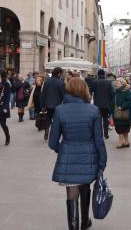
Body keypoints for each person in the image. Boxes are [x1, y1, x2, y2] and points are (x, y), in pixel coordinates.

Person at [49, 77, 107, 230]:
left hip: (68, 155)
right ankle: (84, 221)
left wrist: (62, 149)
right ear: (84, 90)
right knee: (85, 185)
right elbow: (99, 140)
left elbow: (52, 142)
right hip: (88, 155)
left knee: (71, 192)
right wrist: (102, 161)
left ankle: (74, 226)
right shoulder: (94, 110)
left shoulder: (60, 110)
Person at [40, 67, 66, 140]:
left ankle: (46, 131)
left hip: (48, 104)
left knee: (48, 118)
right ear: (59, 74)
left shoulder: (47, 81)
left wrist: (42, 104)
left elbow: (43, 94)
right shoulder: (61, 83)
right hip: (57, 105)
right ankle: (54, 135)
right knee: (56, 120)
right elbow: (63, 95)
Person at [91, 69, 115, 139]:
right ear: (104, 74)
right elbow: (112, 93)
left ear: (98, 74)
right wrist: (109, 100)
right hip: (106, 104)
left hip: (97, 104)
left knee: (98, 120)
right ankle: (106, 134)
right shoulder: (108, 82)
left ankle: (98, 134)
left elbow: (92, 90)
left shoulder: (94, 82)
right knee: (105, 119)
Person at [112, 78, 131, 148]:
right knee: (119, 128)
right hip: (117, 113)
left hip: (125, 113)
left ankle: (123, 142)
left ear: (122, 83)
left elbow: (129, 102)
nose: (116, 84)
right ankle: (124, 142)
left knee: (125, 128)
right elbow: (112, 102)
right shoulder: (116, 91)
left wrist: (121, 107)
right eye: (116, 82)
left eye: (118, 83)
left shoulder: (127, 91)